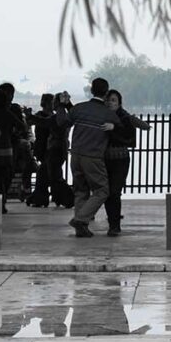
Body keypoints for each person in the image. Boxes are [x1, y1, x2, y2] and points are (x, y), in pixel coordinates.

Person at [55, 78, 121, 237]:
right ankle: (80, 219)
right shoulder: (108, 113)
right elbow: (121, 129)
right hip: (93, 156)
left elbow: (62, 123)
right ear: (106, 93)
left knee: (80, 190)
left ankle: (81, 229)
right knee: (102, 191)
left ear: (91, 90)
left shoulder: (80, 108)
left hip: (75, 155)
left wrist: (61, 106)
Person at [102, 89, 150, 236]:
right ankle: (112, 221)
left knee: (115, 192)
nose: (110, 103)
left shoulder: (124, 117)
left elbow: (129, 136)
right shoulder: (101, 116)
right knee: (107, 192)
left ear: (119, 103)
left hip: (120, 159)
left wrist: (114, 128)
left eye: (114, 100)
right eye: (108, 100)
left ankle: (114, 225)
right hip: (104, 159)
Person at [0, 88, 26, 214]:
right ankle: (2, 202)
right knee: (4, 179)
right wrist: (11, 133)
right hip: (7, 151)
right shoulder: (7, 113)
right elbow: (22, 126)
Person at [25, 94, 55, 207]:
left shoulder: (40, 116)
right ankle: (41, 196)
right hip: (44, 147)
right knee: (46, 172)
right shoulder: (51, 117)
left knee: (43, 172)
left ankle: (38, 196)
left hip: (43, 147)